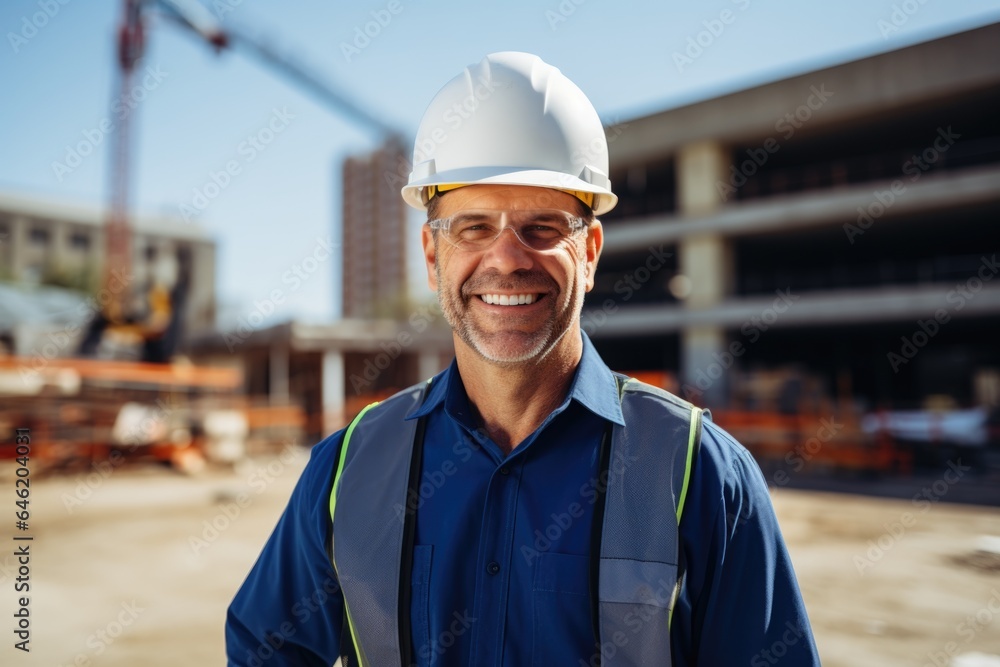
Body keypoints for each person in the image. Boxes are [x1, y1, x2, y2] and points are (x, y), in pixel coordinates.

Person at [226, 51, 820, 667]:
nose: (507, 259)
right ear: (432, 258)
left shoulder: (702, 476)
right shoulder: (347, 468)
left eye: (541, 227)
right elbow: (267, 649)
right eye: (474, 227)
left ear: (589, 252)